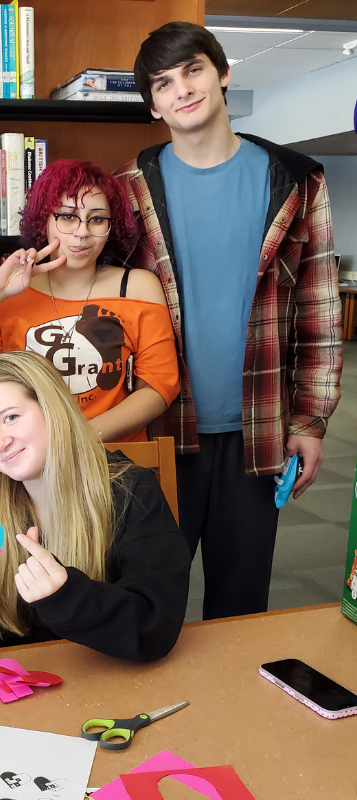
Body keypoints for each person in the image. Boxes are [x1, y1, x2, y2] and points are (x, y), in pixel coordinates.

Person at [117, 22, 343, 618]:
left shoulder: (294, 182)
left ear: (222, 74)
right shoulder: (127, 194)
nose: (181, 91)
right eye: (163, 83)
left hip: (258, 427)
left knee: (241, 604)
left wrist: (312, 421)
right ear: (151, 102)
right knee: (146, 600)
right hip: (159, 427)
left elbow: (320, 311)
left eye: (192, 70)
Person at [0, 351, 190, 666]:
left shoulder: (131, 491)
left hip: (114, 687)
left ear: (52, 408)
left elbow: (156, 627)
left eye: (10, 417)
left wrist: (67, 596)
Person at [0, 159, 179, 442]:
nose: (82, 232)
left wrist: (79, 441)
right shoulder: (14, 295)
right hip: (33, 466)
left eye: (97, 219)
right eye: (67, 216)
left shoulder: (138, 287)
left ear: (111, 227)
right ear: (44, 222)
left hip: (118, 462)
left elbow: (159, 387)